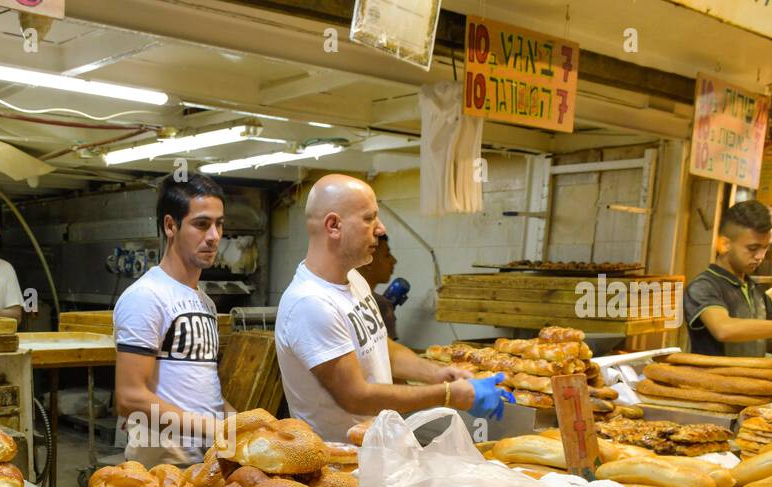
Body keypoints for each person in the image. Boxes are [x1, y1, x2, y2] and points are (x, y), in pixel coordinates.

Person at [275, 174, 512, 443]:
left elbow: (379, 345)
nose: (380, 228)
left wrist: (434, 374)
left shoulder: (353, 280)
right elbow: (356, 396)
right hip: (338, 467)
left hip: (376, 452)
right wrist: (448, 394)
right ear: (334, 226)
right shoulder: (310, 303)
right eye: (369, 218)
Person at [113, 174, 233, 467]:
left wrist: (242, 424)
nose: (214, 236)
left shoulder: (204, 301)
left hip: (204, 460)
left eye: (219, 224)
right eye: (202, 224)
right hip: (163, 468)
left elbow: (203, 390)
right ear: (170, 225)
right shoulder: (146, 296)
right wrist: (215, 430)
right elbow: (130, 398)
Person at [685, 199, 772, 357]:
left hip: (753, 379)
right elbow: (723, 329)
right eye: (753, 248)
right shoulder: (704, 285)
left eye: (766, 247)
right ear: (725, 244)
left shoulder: (753, 289)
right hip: (712, 380)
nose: (760, 257)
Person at [356, 233, 399, 339]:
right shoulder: (382, 305)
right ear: (368, 261)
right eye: (387, 255)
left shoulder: (380, 303)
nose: (394, 261)